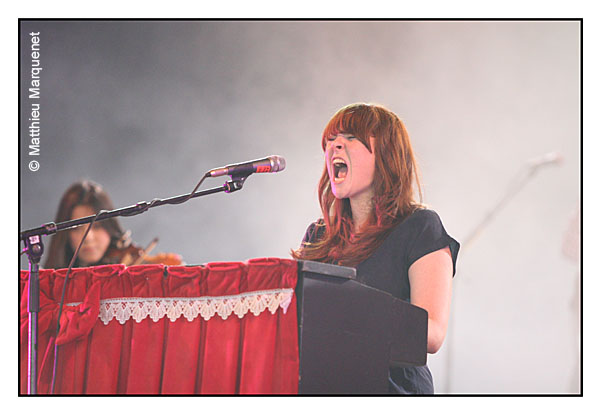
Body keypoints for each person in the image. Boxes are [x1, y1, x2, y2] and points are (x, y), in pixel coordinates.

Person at [292, 103, 460, 394]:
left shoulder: (419, 226)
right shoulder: (318, 235)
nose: (335, 145)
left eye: (350, 137)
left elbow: (432, 333)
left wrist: (353, 312)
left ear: (386, 154)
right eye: (330, 140)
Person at [44, 180, 130, 269]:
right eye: (76, 228)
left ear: (110, 226)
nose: (88, 238)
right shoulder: (50, 279)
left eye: (97, 226)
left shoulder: (130, 263)